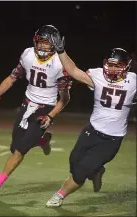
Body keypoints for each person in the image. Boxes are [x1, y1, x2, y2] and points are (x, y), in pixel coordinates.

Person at [46, 32, 137, 207]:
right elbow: (73, 70)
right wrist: (61, 51)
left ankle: (60, 195)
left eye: (118, 66)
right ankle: (97, 171)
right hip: (92, 131)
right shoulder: (97, 75)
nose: (112, 69)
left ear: (127, 67)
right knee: (74, 162)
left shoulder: (133, 81)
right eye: (110, 65)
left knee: (80, 173)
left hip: (112, 139)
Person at [0, 25, 72, 198]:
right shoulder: (28, 54)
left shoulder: (61, 64)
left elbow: (65, 99)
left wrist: (50, 115)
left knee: (20, 151)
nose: (42, 47)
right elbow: (12, 77)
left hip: (45, 108)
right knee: (14, 147)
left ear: (55, 44)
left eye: (47, 44)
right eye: (40, 43)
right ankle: (42, 140)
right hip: (26, 104)